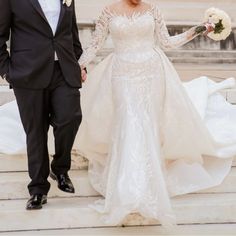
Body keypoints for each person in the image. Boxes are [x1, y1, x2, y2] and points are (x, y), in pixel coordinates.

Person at [0, 0, 236, 226]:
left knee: (136, 125)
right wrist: (76, 66)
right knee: (126, 124)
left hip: (151, 74)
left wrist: (199, 30)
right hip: (120, 74)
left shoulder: (152, 10)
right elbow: (94, 45)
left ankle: (141, 182)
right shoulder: (108, 11)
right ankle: (52, 188)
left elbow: (167, 41)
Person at [0, 0, 86, 210]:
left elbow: (71, 31)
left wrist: (79, 63)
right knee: (36, 130)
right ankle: (38, 188)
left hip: (64, 69)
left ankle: (60, 167)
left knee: (70, 117)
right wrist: (7, 71)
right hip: (27, 73)